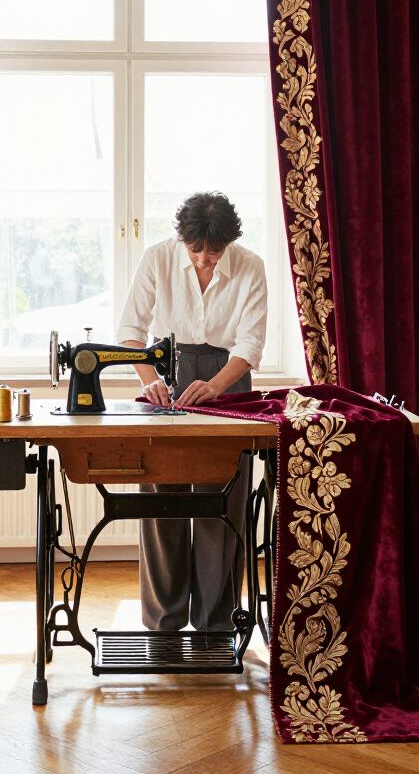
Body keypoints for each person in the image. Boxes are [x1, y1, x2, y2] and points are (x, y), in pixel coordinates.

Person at [117, 192, 268, 632]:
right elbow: (130, 332)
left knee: (221, 504)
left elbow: (250, 344)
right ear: (181, 239)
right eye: (195, 248)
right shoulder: (157, 258)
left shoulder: (251, 265)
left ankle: (215, 624)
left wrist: (217, 386)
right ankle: (163, 622)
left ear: (229, 244)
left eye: (214, 251)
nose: (204, 258)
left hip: (229, 381)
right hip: (166, 376)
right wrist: (149, 381)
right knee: (162, 498)